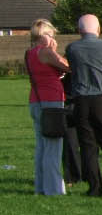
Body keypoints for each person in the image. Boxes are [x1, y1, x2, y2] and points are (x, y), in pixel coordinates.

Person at [64, 13, 102, 196]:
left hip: (81, 101)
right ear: (98, 29)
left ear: (79, 30)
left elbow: (72, 69)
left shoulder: (72, 48)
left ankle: (94, 187)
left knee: (88, 146)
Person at [25, 19, 69, 196]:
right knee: (53, 147)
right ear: (44, 36)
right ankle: (54, 189)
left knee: (42, 146)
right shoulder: (46, 53)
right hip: (51, 101)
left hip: (35, 100)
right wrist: (54, 50)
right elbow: (68, 66)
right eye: (51, 35)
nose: (53, 39)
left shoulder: (30, 53)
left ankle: (41, 187)